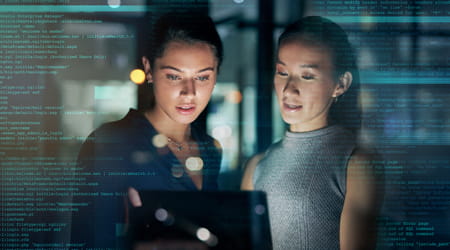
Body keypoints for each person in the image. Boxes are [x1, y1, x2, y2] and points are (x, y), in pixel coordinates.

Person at [71, 12, 223, 248]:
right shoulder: (109, 145)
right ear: (149, 69)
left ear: (216, 76)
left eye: (202, 78)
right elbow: (89, 241)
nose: (189, 92)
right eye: (174, 76)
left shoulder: (211, 151)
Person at [241, 16, 383, 250]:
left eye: (307, 76)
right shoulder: (257, 165)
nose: (289, 89)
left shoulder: (357, 163)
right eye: (282, 72)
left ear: (341, 84)